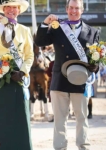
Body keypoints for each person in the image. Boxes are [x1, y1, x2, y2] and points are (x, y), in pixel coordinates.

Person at [34, 0, 99, 149]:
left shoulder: (93, 32)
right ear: (67, 9)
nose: (74, 11)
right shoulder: (58, 28)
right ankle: (60, 147)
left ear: (82, 10)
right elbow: (40, 41)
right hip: (60, 79)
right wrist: (45, 23)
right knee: (59, 119)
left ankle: (83, 146)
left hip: (80, 80)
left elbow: (98, 57)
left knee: (82, 118)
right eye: (71, 8)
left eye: (77, 8)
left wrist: (95, 66)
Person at [0, 0, 34, 149]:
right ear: (3, 9)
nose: (11, 10)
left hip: (18, 75)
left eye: (14, 7)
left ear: (19, 10)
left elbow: (29, 56)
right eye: (7, 7)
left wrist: (23, 71)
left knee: (20, 114)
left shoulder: (24, 30)